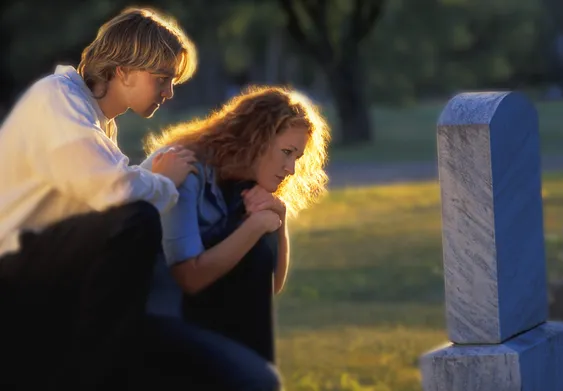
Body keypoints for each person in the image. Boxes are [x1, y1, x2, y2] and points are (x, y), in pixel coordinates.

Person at [0, 6, 199, 390]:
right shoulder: (57, 98)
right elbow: (114, 191)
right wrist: (164, 182)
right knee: (136, 219)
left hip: (39, 253)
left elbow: (107, 186)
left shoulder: (97, 121)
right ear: (123, 70)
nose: (169, 92)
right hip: (11, 261)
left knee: (146, 224)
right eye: (162, 78)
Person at [138, 85, 331, 390]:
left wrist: (277, 221)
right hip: (150, 321)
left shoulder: (244, 185)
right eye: (286, 152)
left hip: (202, 316)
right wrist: (254, 226)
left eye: (297, 157)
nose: (292, 169)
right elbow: (189, 276)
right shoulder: (185, 169)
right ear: (256, 139)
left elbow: (269, 285)